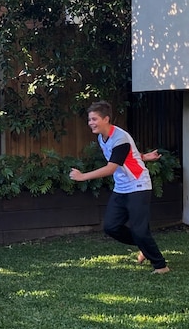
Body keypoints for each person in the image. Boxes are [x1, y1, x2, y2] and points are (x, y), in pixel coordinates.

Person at [68, 100, 170, 274]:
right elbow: (128, 155)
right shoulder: (102, 137)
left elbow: (111, 167)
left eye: (94, 119)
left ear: (106, 119)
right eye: (89, 119)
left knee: (139, 230)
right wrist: (144, 156)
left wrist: (82, 177)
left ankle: (161, 266)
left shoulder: (119, 138)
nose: (91, 123)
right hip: (122, 187)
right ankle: (144, 247)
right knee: (111, 227)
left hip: (138, 185)